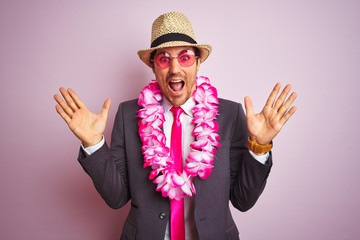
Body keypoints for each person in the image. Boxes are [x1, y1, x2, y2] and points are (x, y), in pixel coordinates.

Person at [54, 12, 297, 240]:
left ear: (197, 63)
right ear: (152, 66)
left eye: (185, 57)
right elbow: (116, 198)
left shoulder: (230, 115)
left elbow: (243, 200)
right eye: (163, 59)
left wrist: (260, 147)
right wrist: (93, 144)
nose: (175, 69)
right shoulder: (128, 115)